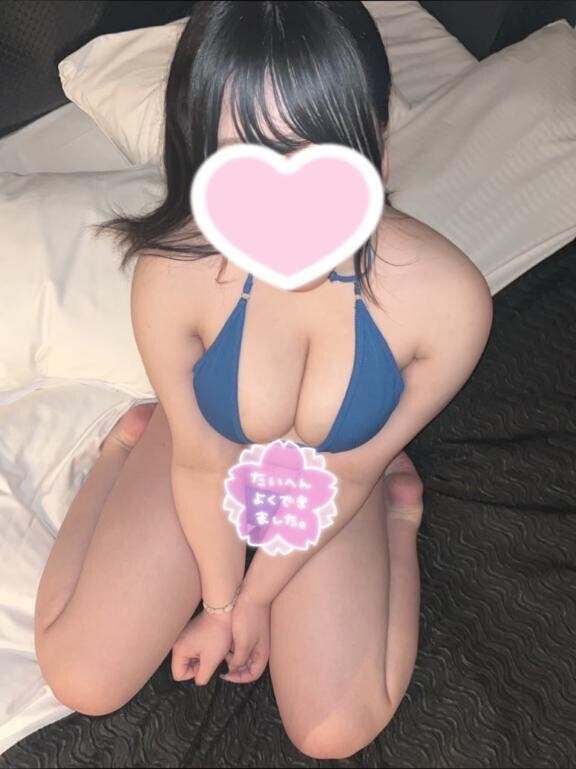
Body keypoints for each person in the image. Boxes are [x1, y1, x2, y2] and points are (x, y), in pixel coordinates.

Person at [34, 1, 493, 760]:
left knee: (333, 731)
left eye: (319, 151)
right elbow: (201, 460)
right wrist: (221, 606)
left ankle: (399, 522)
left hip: (334, 470)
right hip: (205, 445)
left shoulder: (448, 303)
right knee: (80, 674)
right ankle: (125, 445)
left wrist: (257, 598)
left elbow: (347, 471)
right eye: (245, 163)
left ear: (377, 144)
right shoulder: (172, 275)